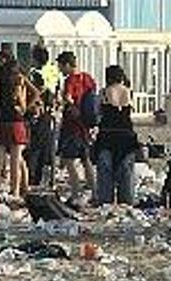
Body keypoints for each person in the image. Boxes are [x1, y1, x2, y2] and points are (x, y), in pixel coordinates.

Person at [57, 51, 97, 207]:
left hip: (72, 126)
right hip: (85, 127)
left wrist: (67, 103)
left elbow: (68, 98)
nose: (61, 70)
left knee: (68, 160)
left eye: (61, 66)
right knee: (86, 160)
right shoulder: (87, 78)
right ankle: (94, 193)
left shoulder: (70, 80)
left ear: (67, 64)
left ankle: (76, 193)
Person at [95, 65, 139, 206]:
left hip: (107, 136)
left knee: (105, 171)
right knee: (126, 171)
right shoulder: (129, 92)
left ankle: (105, 203)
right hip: (126, 136)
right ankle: (126, 202)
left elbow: (97, 113)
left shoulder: (103, 93)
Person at [0, 61, 38, 200]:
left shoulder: (6, 84)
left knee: (7, 159)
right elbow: (35, 93)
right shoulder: (19, 83)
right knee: (16, 160)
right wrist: (25, 108)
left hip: (7, 122)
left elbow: (33, 94)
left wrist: (25, 106)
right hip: (15, 121)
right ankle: (18, 189)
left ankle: (13, 190)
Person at [27, 45, 59, 187]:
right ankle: (48, 179)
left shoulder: (35, 73)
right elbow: (56, 92)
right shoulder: (53, 71)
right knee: (48, 149)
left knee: (34, 148)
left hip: (38, 113)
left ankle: (33, 178)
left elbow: (37, 91)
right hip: (51, 112)